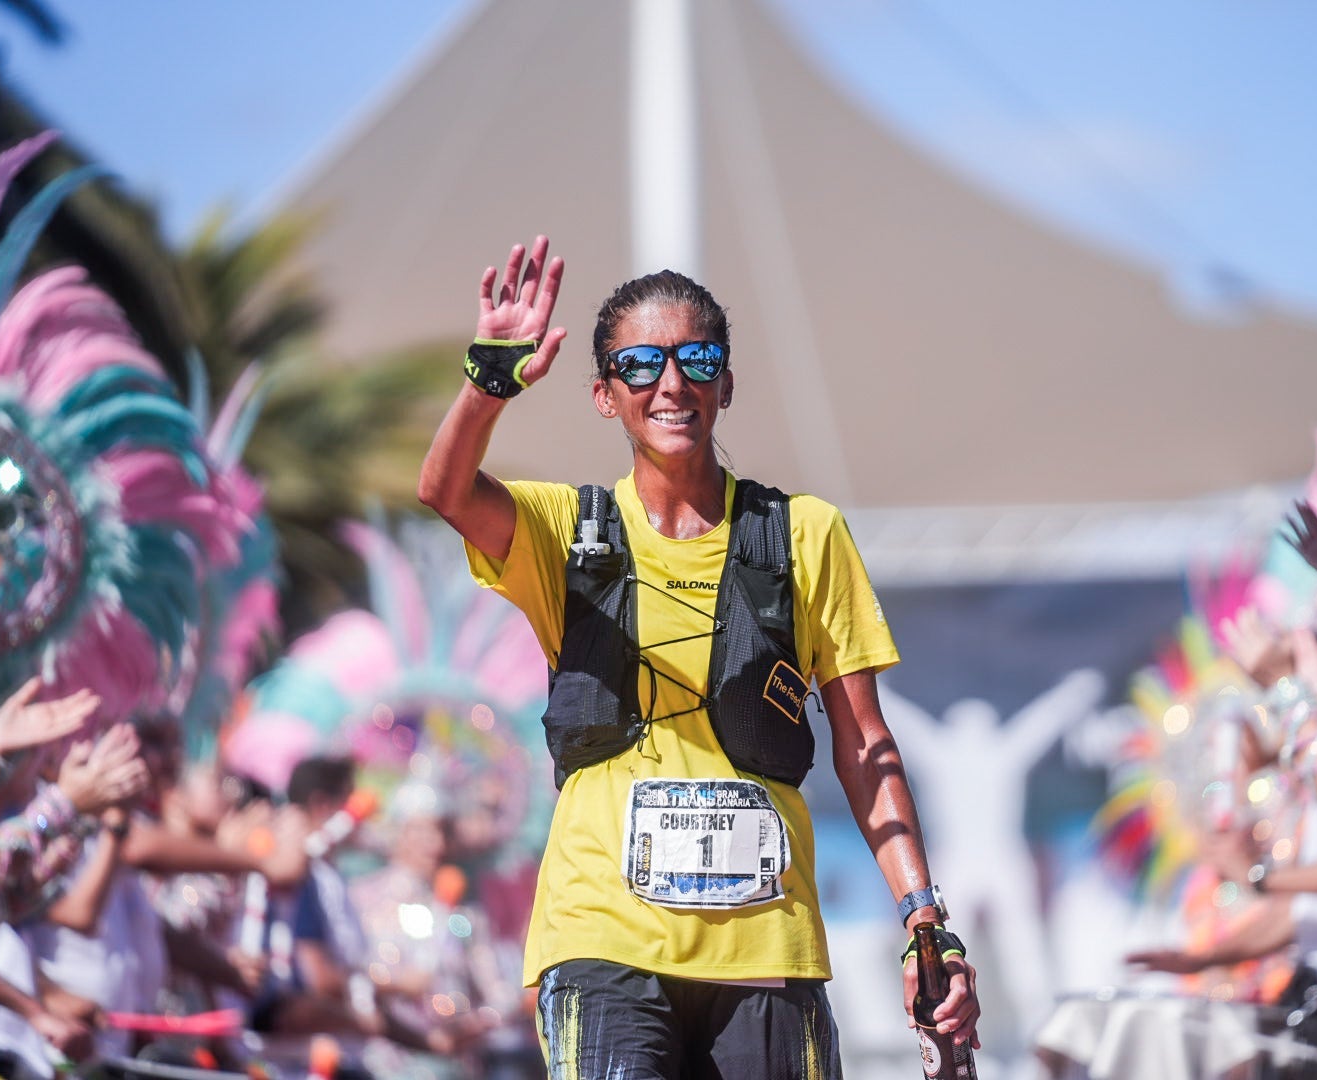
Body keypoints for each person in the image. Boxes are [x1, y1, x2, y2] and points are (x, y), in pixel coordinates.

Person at [418, 237, 979, 1077]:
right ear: (605, 395)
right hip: (601, 936)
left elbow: (866, 746)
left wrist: (923, 917)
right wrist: (487, 383)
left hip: (765, 943)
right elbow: (446, 491)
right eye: (640, 365)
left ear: (726, 382)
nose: (670, 384)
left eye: (696, 358)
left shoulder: (804, 534)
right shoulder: (567, 532)